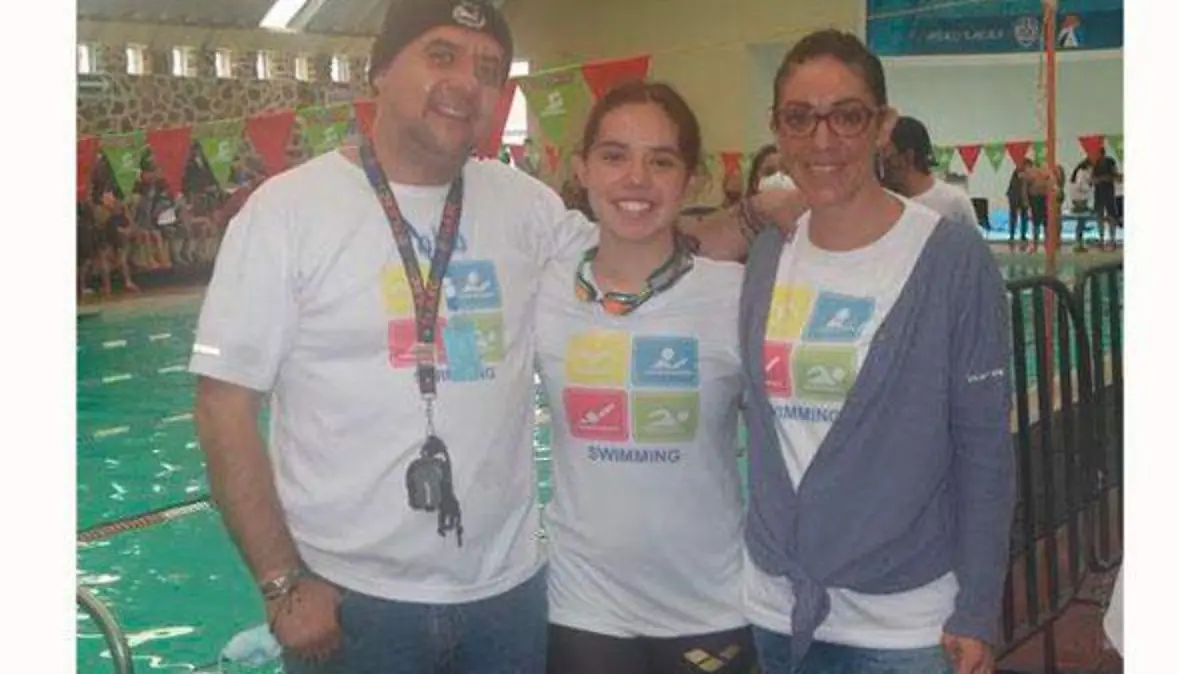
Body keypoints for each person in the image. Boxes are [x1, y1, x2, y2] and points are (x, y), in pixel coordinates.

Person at [190, 1, 803, 672]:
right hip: (352, 601)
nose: (464, 82)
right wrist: (281, 583)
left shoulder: (524, 205)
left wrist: (761, 213)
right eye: (441, 55)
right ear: (380, 69)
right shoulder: (287, 212)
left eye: (486, 68)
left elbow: (643, 251)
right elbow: (224, 408)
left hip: (509, 599)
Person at [738, 29, 1015, 674]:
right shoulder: (770, 252)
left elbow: (984, 447)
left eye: (848, 115)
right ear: (777, 128)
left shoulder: (949, 258)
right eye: (800, 117)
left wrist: (978, 606)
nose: (823, 139)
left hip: (905, 622)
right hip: (777, 605)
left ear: (883, 126)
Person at [536, 80, 755, 674]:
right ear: (581, 170)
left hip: (712, 607)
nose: (635, 179)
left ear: (693, 180)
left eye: (661, 161)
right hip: (583, 610)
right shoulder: (543, 288)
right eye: (614, 156)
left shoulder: (735, 296)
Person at [881, 116, 979, 230]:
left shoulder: (954, 202)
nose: (882, 165)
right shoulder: (882, 202)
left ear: (908, 157)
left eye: (886, 157)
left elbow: (973, 241)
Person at [1006, 160, 1031, 251]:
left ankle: (1023, 235)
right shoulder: (1018, 172)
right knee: (1014, 217)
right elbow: (1021, 181)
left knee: (1024, 217)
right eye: (1029, 167)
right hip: (1014, 197)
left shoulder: (1025, 174)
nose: (1029, 169)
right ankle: (1012, 235)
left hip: (1022, 197)